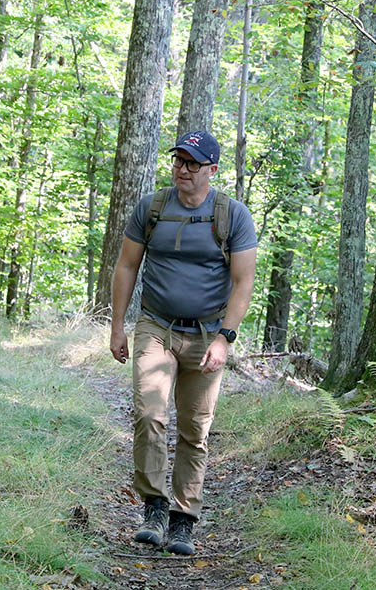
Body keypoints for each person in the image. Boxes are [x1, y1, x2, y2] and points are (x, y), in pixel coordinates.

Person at [109, 130, 257, 555]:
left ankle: (183, 518)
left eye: (192, 163)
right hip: (156, 326)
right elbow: (126, 266)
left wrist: (225, 338)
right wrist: (118, 326)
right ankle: (154, 506)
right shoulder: (152, 207)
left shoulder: (232, 216)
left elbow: (243, 281)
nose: (182, 169)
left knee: (195, 429)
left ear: (212, 169)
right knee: (149, 414)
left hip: (208, 334)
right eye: (178, 161)